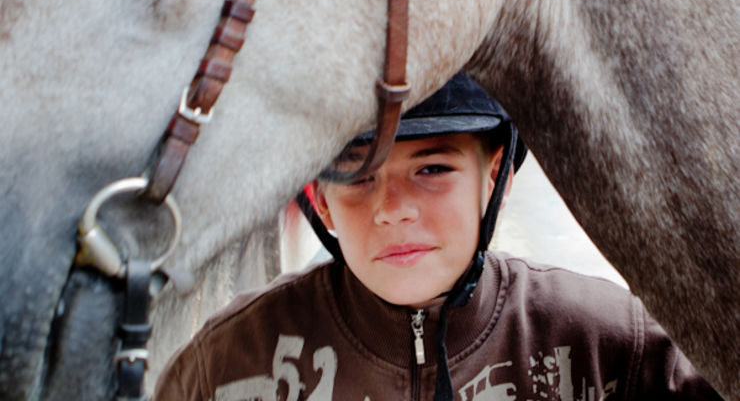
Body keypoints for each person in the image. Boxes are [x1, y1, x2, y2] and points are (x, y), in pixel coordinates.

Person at [153, 73, 721, 400]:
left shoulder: (616, 348)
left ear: (494, 174)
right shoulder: (226, 366)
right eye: (357, 176)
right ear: (319, 197)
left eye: (432, 170)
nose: (394, 210)